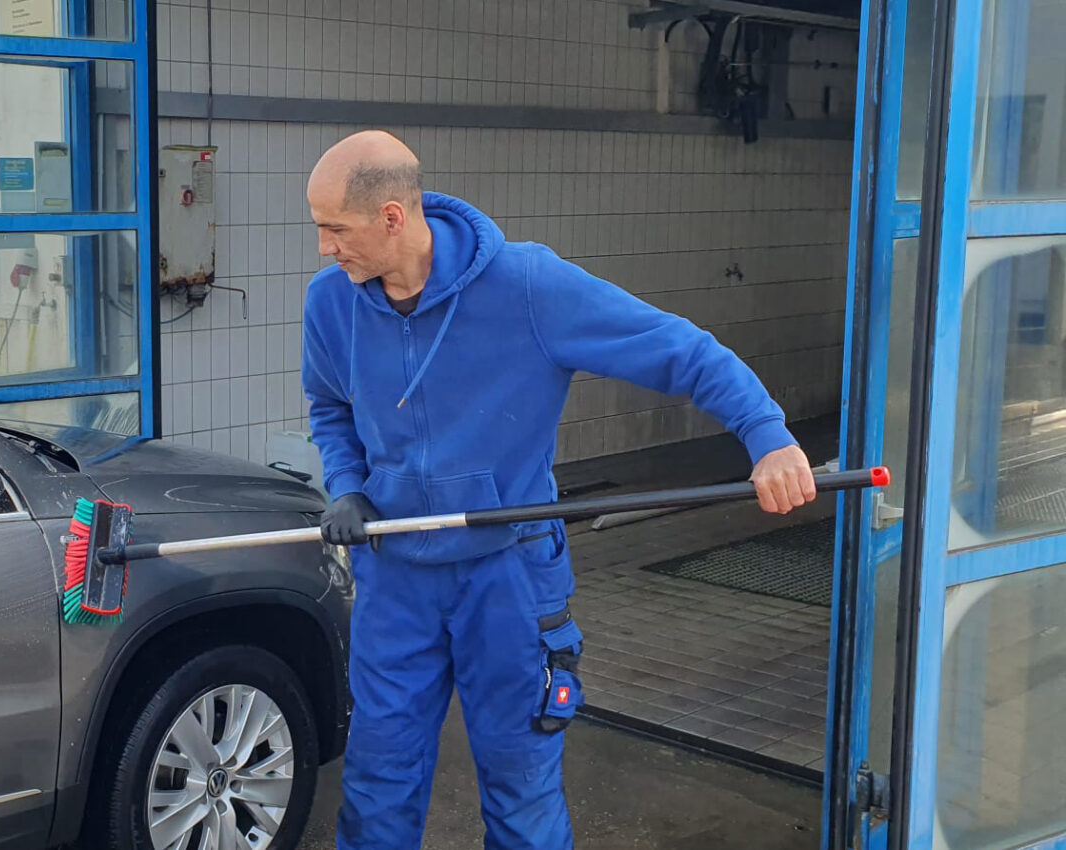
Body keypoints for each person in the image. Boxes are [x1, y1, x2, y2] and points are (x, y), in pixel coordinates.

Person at [300, 130, 817, 850]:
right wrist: (348, 486)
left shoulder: (528, 287)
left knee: (521, 790)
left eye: (335, 229)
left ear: (392, 217)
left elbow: (679, 348)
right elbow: (329, 406)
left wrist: (768, 436)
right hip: (395, 575)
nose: (324, 247)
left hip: (508, 573)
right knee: (377, 785)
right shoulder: (331, 302)